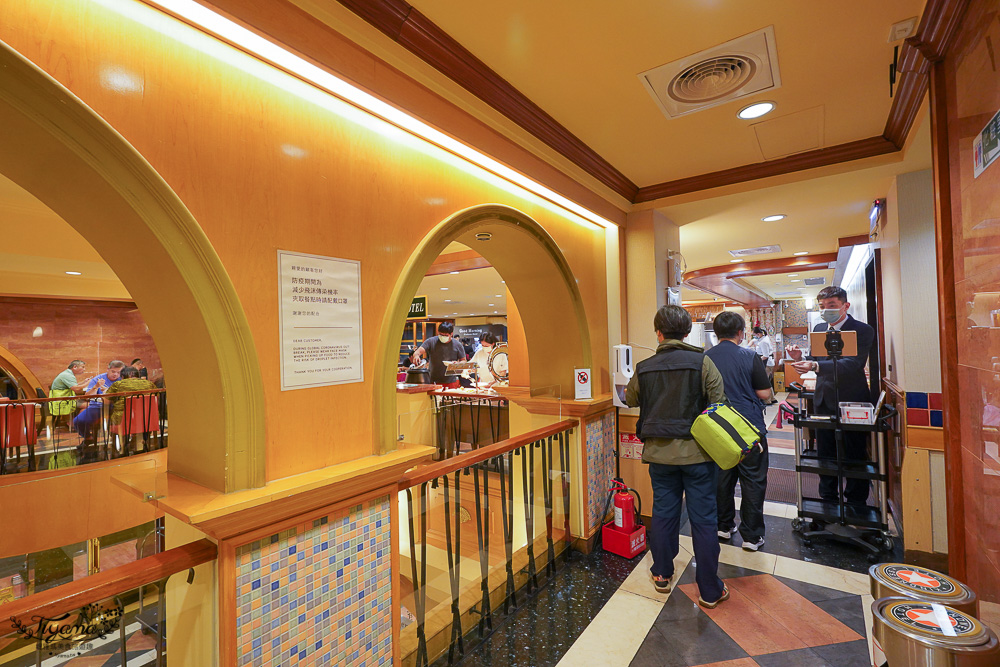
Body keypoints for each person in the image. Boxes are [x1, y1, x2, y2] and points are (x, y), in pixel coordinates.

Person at [625, 305, 729, 608]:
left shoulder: (645, 367)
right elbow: (718, 402)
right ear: (687, 332)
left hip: (659, 455)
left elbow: (631, 398)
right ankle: (710, 589)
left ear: (658, 332)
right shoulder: (703, 362)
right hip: (698, 455)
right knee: (704, 520)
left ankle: (661, 573)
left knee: (664, 514)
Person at [787, 286, 875, 507]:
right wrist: (801, 357)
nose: (826, 311)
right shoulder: (818, 327)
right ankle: (828, 499)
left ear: (846, 305)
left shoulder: (861, 330)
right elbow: (816, 358)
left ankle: (856, 502)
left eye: (832, 306)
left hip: (852, 399)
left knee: (854, 452)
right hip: (823, 399)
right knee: (825, 452)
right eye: (823, 307)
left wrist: (814, 365)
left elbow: (853, 364)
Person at [706, 312, 773, 552]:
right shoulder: (750, 356)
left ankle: (723, 526)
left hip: (718, 428)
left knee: (722, 480)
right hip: (749, 427)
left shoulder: (705, 358)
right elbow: (765, 394)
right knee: (753, 480)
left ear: (716, 333)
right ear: (741, 333)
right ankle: (752, 537)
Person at [73, 360, 126, 441]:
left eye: (118, 372)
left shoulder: (122, 380)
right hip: (97, 407)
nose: (115, 374)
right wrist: (96, 387)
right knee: (78, 421)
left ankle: (119, 441)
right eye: (113, 371)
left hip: (115, 408)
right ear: (107, 369)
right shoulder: (97, 379)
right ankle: (88, 438)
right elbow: (87, 397)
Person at [49, 360, 89, 426]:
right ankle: (75, 423)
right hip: (62, 401)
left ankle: (74, 422)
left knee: (85, 402)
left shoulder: (67, 374)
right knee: (90, 405)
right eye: (83, 367)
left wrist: (84, 382)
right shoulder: (67, 375)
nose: (84, 369)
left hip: (65, 399)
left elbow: (72, 386)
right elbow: (76, 389)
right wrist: (88, 383)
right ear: (75, 367)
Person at [752, 327, 777, 404]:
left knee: (764, 382)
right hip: (768, 362)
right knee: (767, 381)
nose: (754, 336)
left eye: (754, 335)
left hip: (767, 363)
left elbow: (765, 355)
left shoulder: (763, 342)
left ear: (758, 334)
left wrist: (757, 360)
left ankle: (767, 400)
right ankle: (772, 398)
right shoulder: (764, 339)